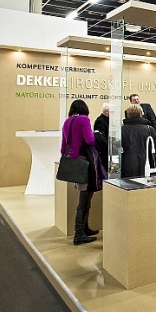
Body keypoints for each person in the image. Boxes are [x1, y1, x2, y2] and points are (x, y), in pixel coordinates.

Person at [60, 99, 106, 245]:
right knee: (85, 197)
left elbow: (63, 146)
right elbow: (90, 140)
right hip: (85, 162)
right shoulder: (84, 119)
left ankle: (84, 228)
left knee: (85, 195)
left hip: (74, 162)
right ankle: (79, 232)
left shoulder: (67, 121)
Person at [121, 104, 156, 178]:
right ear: (141, 114)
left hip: (127, 164)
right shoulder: (149, 129)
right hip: (146, 163)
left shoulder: (122, 130)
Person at [93, 103, 110, 172]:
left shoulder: (107, 120)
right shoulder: (100, 121)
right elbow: (101, 137)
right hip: (103, 151)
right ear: (106, 112)